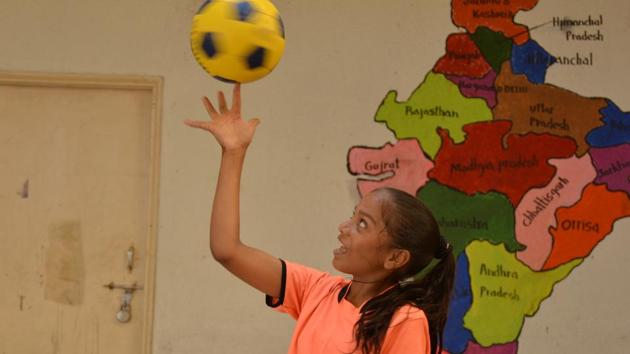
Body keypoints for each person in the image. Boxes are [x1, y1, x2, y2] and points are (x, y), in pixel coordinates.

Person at [185, 84, 455, 354]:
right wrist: (233, 153)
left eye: (362, 223)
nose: (343, 228)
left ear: (395, 258)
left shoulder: (405, 320)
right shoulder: (317, 289)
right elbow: (227, 250)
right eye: (353, 216)